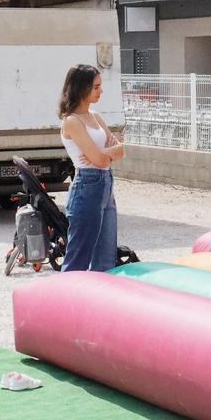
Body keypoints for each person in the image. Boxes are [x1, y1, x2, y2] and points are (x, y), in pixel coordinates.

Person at [57, 64, 123, 273]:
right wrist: (108, 152)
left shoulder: (96, 116)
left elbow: (118, 152)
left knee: (106, 259)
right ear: (82, 88)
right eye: (96, 87)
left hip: (105, 185)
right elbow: (101, 159)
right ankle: (65, 304)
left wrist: (108, 152)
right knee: (78, 259)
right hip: (87, 186)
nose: (100, 91)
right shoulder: (71, 121)